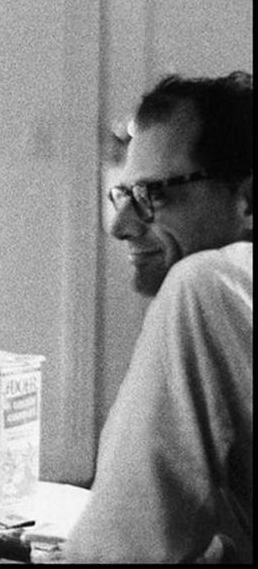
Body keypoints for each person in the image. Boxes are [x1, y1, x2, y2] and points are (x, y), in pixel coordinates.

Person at [68, 71, 253, 563]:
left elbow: (119, 550)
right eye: (123, 194)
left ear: (248, 200)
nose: (120, 226)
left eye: (153, 194)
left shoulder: (209, 283)